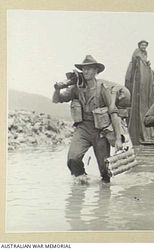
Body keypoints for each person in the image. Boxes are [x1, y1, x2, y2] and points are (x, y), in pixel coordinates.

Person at [53, 55, 130, 184]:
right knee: (72, 158)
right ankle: (81, 183)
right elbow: (56, 100)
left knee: (105, 171)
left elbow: (113, 113)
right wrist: (57, 89)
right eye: (84, 69)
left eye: (89, 68)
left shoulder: (103, 88)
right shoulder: (77, 88)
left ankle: (104, 197)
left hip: (100, 131)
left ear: (96, 71)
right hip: (83, 128)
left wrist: (118, 139)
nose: (86, 71)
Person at [125, 40, 154, 144]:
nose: (143, 47)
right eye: (142, 45)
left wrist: (147, 64)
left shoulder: (145, 54)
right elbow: (135, 64)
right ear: (139, 46)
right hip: (140, 83)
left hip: (146, 85)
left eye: (145, 45)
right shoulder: (136, 53)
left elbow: (146, 64)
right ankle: (140, 134)